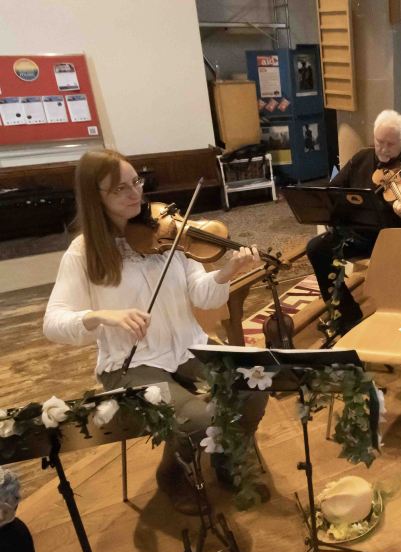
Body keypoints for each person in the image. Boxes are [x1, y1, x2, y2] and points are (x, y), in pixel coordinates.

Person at [42, 149, 267, 515]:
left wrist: (226, 272)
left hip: (190, 348)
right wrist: (101, 316)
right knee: (197, 419)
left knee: (253, 384)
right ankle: (172, 473)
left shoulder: (167, 232)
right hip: (131, 363)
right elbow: (53, 321)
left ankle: (226, 457)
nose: (135, 194)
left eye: (136, 182)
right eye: (120, 189)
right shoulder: (84, 253)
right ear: (95, 196)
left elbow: (202, 294)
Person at [305, 110, 401, 334]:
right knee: (317, 248)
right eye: (379, 142)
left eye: (390, 144)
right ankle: (346, 314)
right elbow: (333, 190)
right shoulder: (361, 159)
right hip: (357, 235)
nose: (383, 149)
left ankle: (393, 322)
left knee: (388, 270)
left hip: (392, 241)